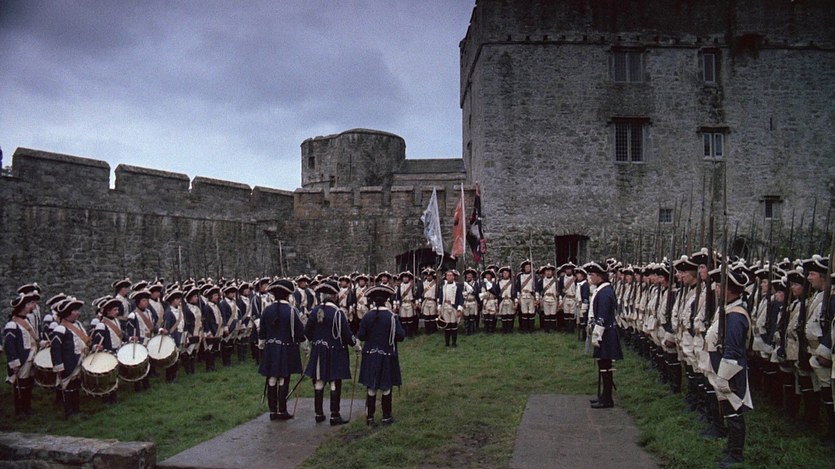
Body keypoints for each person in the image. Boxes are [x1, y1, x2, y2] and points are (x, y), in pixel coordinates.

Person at [706, 266, 753, 468]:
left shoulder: (736, 315)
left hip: (731, 371)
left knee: (734, 410)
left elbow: (733, 349)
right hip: (724, 369)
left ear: (730, 289)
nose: (716, 289)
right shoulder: (728, 310)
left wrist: (725, 378)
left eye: (720, 286)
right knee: (728, 408)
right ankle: (731, 448)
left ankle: (736, 453)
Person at [304, 281, 361, 425]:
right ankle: (334, 415)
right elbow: (347, 334)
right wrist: (356, 346)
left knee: (319, 380)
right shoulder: (338, 313)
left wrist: (316, 341)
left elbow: (307, 332)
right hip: (335, 351)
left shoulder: (315, 311)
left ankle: (319, 414)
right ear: (335, 296)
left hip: (318, 350)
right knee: (334, 381)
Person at [358, 284, 405, 426]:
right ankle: (386, 417)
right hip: (387, 355)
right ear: (386, 300)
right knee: (386, 386)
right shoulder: (392, 317)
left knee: (371, 387)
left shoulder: (367, 316)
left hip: (370, 354)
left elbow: (361, 336)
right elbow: (401, 336)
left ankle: (370, 418)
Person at [259, 279, 306, 420]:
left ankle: (273, 411)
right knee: (283, 378)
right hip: (286, 348)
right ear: (288, 295)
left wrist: (262, 344)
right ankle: (282, 410)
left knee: (272, 378)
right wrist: (305, 346)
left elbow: (262, 331)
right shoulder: (292, 311)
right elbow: (299, 332)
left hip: (270, 347)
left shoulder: (267, 310)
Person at [585, 262, 623, 409]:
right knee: (603, 364)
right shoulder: (601, 290)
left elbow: (602, 315)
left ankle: (607, 398)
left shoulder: (605, 292)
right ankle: (604, 396)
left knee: (606, 365)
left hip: (605, 333)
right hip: (603, 332)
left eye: (592, 275)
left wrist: (597, 334)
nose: (590, 278)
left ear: (599, 276)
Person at [51, 297, 89, 418]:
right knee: (68, 386)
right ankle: (69, 411)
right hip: (68, 362)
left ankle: (76, 410)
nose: (78, 313)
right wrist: (58, 365)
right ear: (67, 313)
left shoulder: (78, 325)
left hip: (79, 359)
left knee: (76, 385)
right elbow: (55, 349)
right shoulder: (61, 328)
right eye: (75, 310)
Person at [5, 291, 41, 417]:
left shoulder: (27, 321)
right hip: (22, 358)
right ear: (22, 307)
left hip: (31, 356)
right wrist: (14, 362)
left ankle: (27, 407)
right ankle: (20, 410)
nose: (31, 306)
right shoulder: (12, 324)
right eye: (28, 304)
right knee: (20, 384)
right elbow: (9, 346)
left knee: (28, 383)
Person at [91, 297, 125, 403]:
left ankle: (113, 396)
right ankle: (107, 397)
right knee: (108, 376)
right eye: (115, 310)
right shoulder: (101, 325)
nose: (117, 312)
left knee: (114, 375)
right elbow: (97, 341)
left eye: (117, 309)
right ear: (108, 311)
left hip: (116, 350)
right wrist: (97, 346)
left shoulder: (116, 321)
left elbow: (121, 334)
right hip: (107, 353)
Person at [162, 289, 185, 383]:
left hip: (179, 335)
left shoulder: (179, 310)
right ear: (172, 301)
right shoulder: (168, 312)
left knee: (176, 358)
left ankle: (174, 376)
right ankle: (170, 378)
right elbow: (167, 328)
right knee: (171, 359)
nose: (179, 301)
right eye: (177, 299)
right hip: (172, 337)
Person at [439, 269, 464, 347]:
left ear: (453, 277)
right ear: (446, 277)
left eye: (450, 275)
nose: (449, 277)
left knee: (453, 325)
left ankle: (454, 343)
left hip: (454, 307)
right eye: (448, 275)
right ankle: (447, 343)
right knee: (447, 325)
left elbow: (461, 298)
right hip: (445, 307)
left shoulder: (457, 286)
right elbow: (440, 298)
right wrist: (439, 308)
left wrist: (459, 309)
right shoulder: (443, 286)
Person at [515, 260, 537, 333]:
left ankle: (531, 329)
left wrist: (536, 298)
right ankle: (524, 329)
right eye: (526, 267)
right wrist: (518, 298)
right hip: (523, 296)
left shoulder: (534, 277)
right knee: (524, 312)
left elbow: (536, 288)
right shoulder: (520, 276)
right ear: (524, 268)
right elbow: (518, 288)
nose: (528, 268)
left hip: (531, 296)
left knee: (531, 312)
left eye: (529, 267)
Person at [395, 272, 418, 338]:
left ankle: (410, 334)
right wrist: (397, 305)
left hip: (410, 304)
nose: (405, 279)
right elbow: (398, 297)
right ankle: (404, 333)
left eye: (406, 277)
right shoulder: (400, 286)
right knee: (403, 320)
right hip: (402, 304)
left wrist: (416, 304)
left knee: (410, 320)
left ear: (408, 278)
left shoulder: (412, 286)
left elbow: (415, 296)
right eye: (404, 277)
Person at [461, 268, 481, 335]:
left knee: (472, 318)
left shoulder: (475, 284)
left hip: (473, 301)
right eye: (467, 275)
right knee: (466, 317)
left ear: (472, 276)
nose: (469, 276)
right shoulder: (464, 284)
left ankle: (472, 331)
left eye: (470, 275)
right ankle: (466, 331)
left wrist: (470, 290)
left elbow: (476, 292)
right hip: (466, 302)